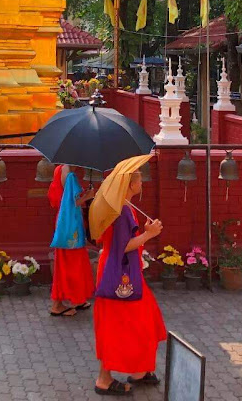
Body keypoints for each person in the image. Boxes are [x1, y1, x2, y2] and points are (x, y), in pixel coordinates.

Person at [91, 158, 166, 395]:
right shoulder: (121, 211)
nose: (142, 182)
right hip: (118, 273)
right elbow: (122, 246)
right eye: (140, 179)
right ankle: (104, 379)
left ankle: (139, 370)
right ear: (131, 185)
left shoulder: (123, 207)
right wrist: (149, 235)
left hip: (120, 270)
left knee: (144, 319)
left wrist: (142, 231)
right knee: (120, 324)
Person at [48, 164, 95, 317]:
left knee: (73, 261)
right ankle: (57, 305)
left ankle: (78, 298)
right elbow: (69, 203)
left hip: (66, 223)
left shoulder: (60, 169)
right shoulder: (69, 175)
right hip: (69, 226)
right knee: (70, 263)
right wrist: (88, 196)